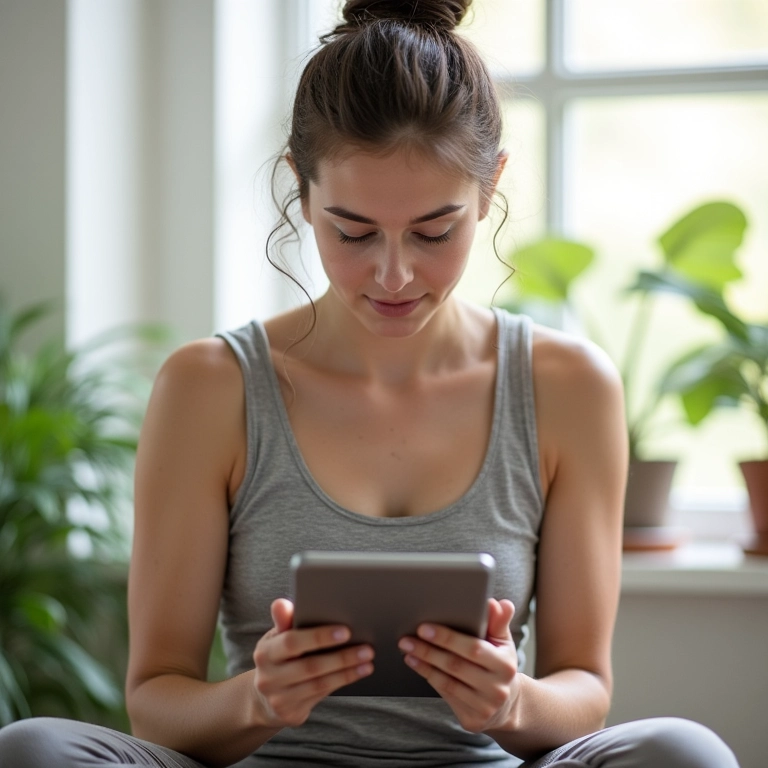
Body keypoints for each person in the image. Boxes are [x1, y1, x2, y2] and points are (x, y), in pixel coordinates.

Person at [0, 1, 741, 767]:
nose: (393, 275)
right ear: (301, 190)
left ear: (490, 190)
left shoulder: (567, 385)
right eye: (351, 231)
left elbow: (585, 684)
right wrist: (257, 699)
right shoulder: (210, 385)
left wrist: (512, 700)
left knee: (682, 751)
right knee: (32, 748)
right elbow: (157, 697)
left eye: (434, 231)